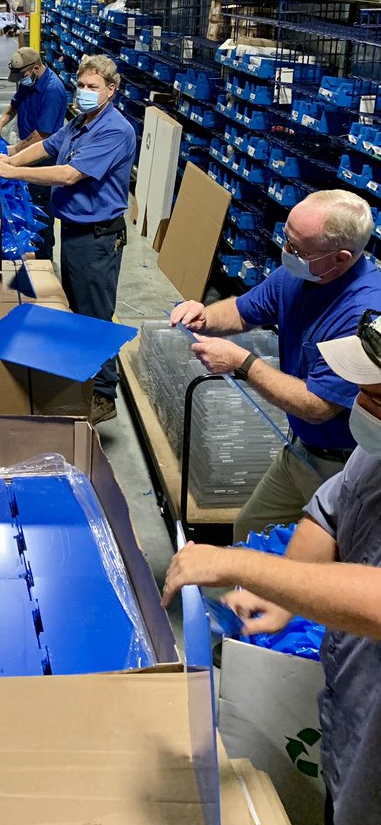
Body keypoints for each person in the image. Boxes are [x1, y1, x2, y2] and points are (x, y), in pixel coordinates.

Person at [162, 308, 381, 825]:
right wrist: (282, 596)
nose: (362, 405)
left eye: (377, 396)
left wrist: (243, 565)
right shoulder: (374, 447)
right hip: (355, 715)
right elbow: (332, 508)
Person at [169, 188, 381, 541]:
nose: (287, 253)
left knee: (320, 569)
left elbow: (317, 405)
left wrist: (242, 363)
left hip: (342, 466)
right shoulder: (302, 274)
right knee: (251, 530)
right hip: (300, 450)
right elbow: (242, 310)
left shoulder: (364, 315)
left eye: (298, 249)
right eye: (287, 240)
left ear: (341, 259)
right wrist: (203, 315)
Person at [0, 54, 135, 426]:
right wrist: (9, 157)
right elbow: (49, 146)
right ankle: (84, 379)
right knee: (79, 307)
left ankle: (103, 395)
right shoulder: (83, 122)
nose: (84, 92)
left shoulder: (115, 130)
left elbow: (68, 175)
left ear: (111, 91)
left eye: (92, 88)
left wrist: (14, 174)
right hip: (74, 230)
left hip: (97, 237)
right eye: (81, 86)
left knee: (95, 314)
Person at [0, 47, 69, 260]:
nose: (20, 81)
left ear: (35, 68)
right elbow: (14, 105)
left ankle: (44, 262)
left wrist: (13, 152)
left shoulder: (52, 90)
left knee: (39, 212)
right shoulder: (29, 81)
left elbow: (42, 135)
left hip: (43, 159)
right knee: (25, 206)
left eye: (21, 76)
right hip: (25, 154)